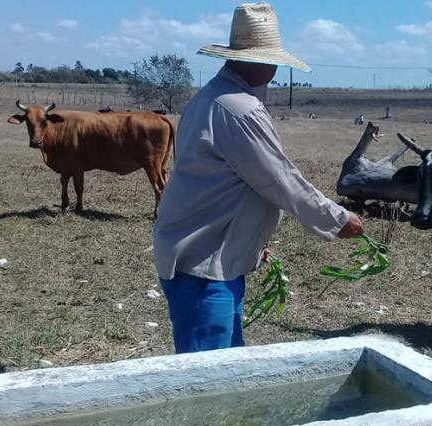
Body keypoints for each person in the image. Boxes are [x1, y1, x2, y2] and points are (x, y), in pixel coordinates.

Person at [153, 2, 363, 354]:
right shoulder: (238, 109)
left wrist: (248, 243)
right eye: (274, 62)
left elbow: (225, 184)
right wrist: (338, 219)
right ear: (261, 62)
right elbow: (280, 180)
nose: (275, 70)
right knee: (208, 375)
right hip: (203, 268)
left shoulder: (211, 98)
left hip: (213, 257)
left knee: (229, 365)